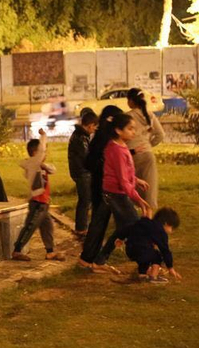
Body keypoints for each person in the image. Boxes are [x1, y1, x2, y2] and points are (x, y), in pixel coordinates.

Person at [89, 113, 153, 270]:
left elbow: (124, 172)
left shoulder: (120, 146)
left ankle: (99, 260)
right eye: (130, 129)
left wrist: (136, 180)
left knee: (124, 229)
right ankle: (148, 265)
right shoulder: (117, 150)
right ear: (118, 130)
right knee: (135, 227)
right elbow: (123, 180)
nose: (134, 132)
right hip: (116, 194)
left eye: (134, 128)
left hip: (114, 192)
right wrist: (139, 200)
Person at [78, 105, 125, 273]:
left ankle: (92, 258)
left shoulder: (102, 135)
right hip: (102, 185)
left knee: (101, 222)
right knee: (99, 222)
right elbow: (90, 162)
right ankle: (88, 258)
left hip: (101, 184)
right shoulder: (104, 137)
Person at [11, 129, 65, 262]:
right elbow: (41, 151)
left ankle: (50, 251)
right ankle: (17, 250)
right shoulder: (33, 163)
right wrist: (43, 135)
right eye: (43, 152)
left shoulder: (39, 165)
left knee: (47, 226)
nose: (45, 154)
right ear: (36, 153)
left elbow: (53, 169)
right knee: (30, 226)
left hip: (44, 203)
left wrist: (43, 165)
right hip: (38, 203)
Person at [114, 207, 182, 283]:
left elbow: (129, 228)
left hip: (130, 250)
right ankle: (153, 277)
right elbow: (165, 250)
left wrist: (120, 238)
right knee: (157, 256)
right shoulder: (161, 232)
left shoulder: (144, 222)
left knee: (145, 258)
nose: (171, 231)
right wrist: (170, 268)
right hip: (142, 250)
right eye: (172, 228)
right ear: (166, 223)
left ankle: (142, 275)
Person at [126, 88, 165, 210]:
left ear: (131, 101)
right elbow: (160, 134)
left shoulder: (128, 116)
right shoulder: (150, 115)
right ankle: (148, 213)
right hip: (147, 154)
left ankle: (131, 211)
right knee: (149, 187)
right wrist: (149, 145)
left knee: (131, 184)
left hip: (131, 154)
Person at [68, 110, 99, 238]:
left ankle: (81, 227)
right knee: (85, 201)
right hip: (82, 173)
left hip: (79, 172)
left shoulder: (80, 135)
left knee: (84, 200)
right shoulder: (81, 138)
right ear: (90, 125)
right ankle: (81, 229)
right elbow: (86, 158)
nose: (95, 130)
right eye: (95, 127)